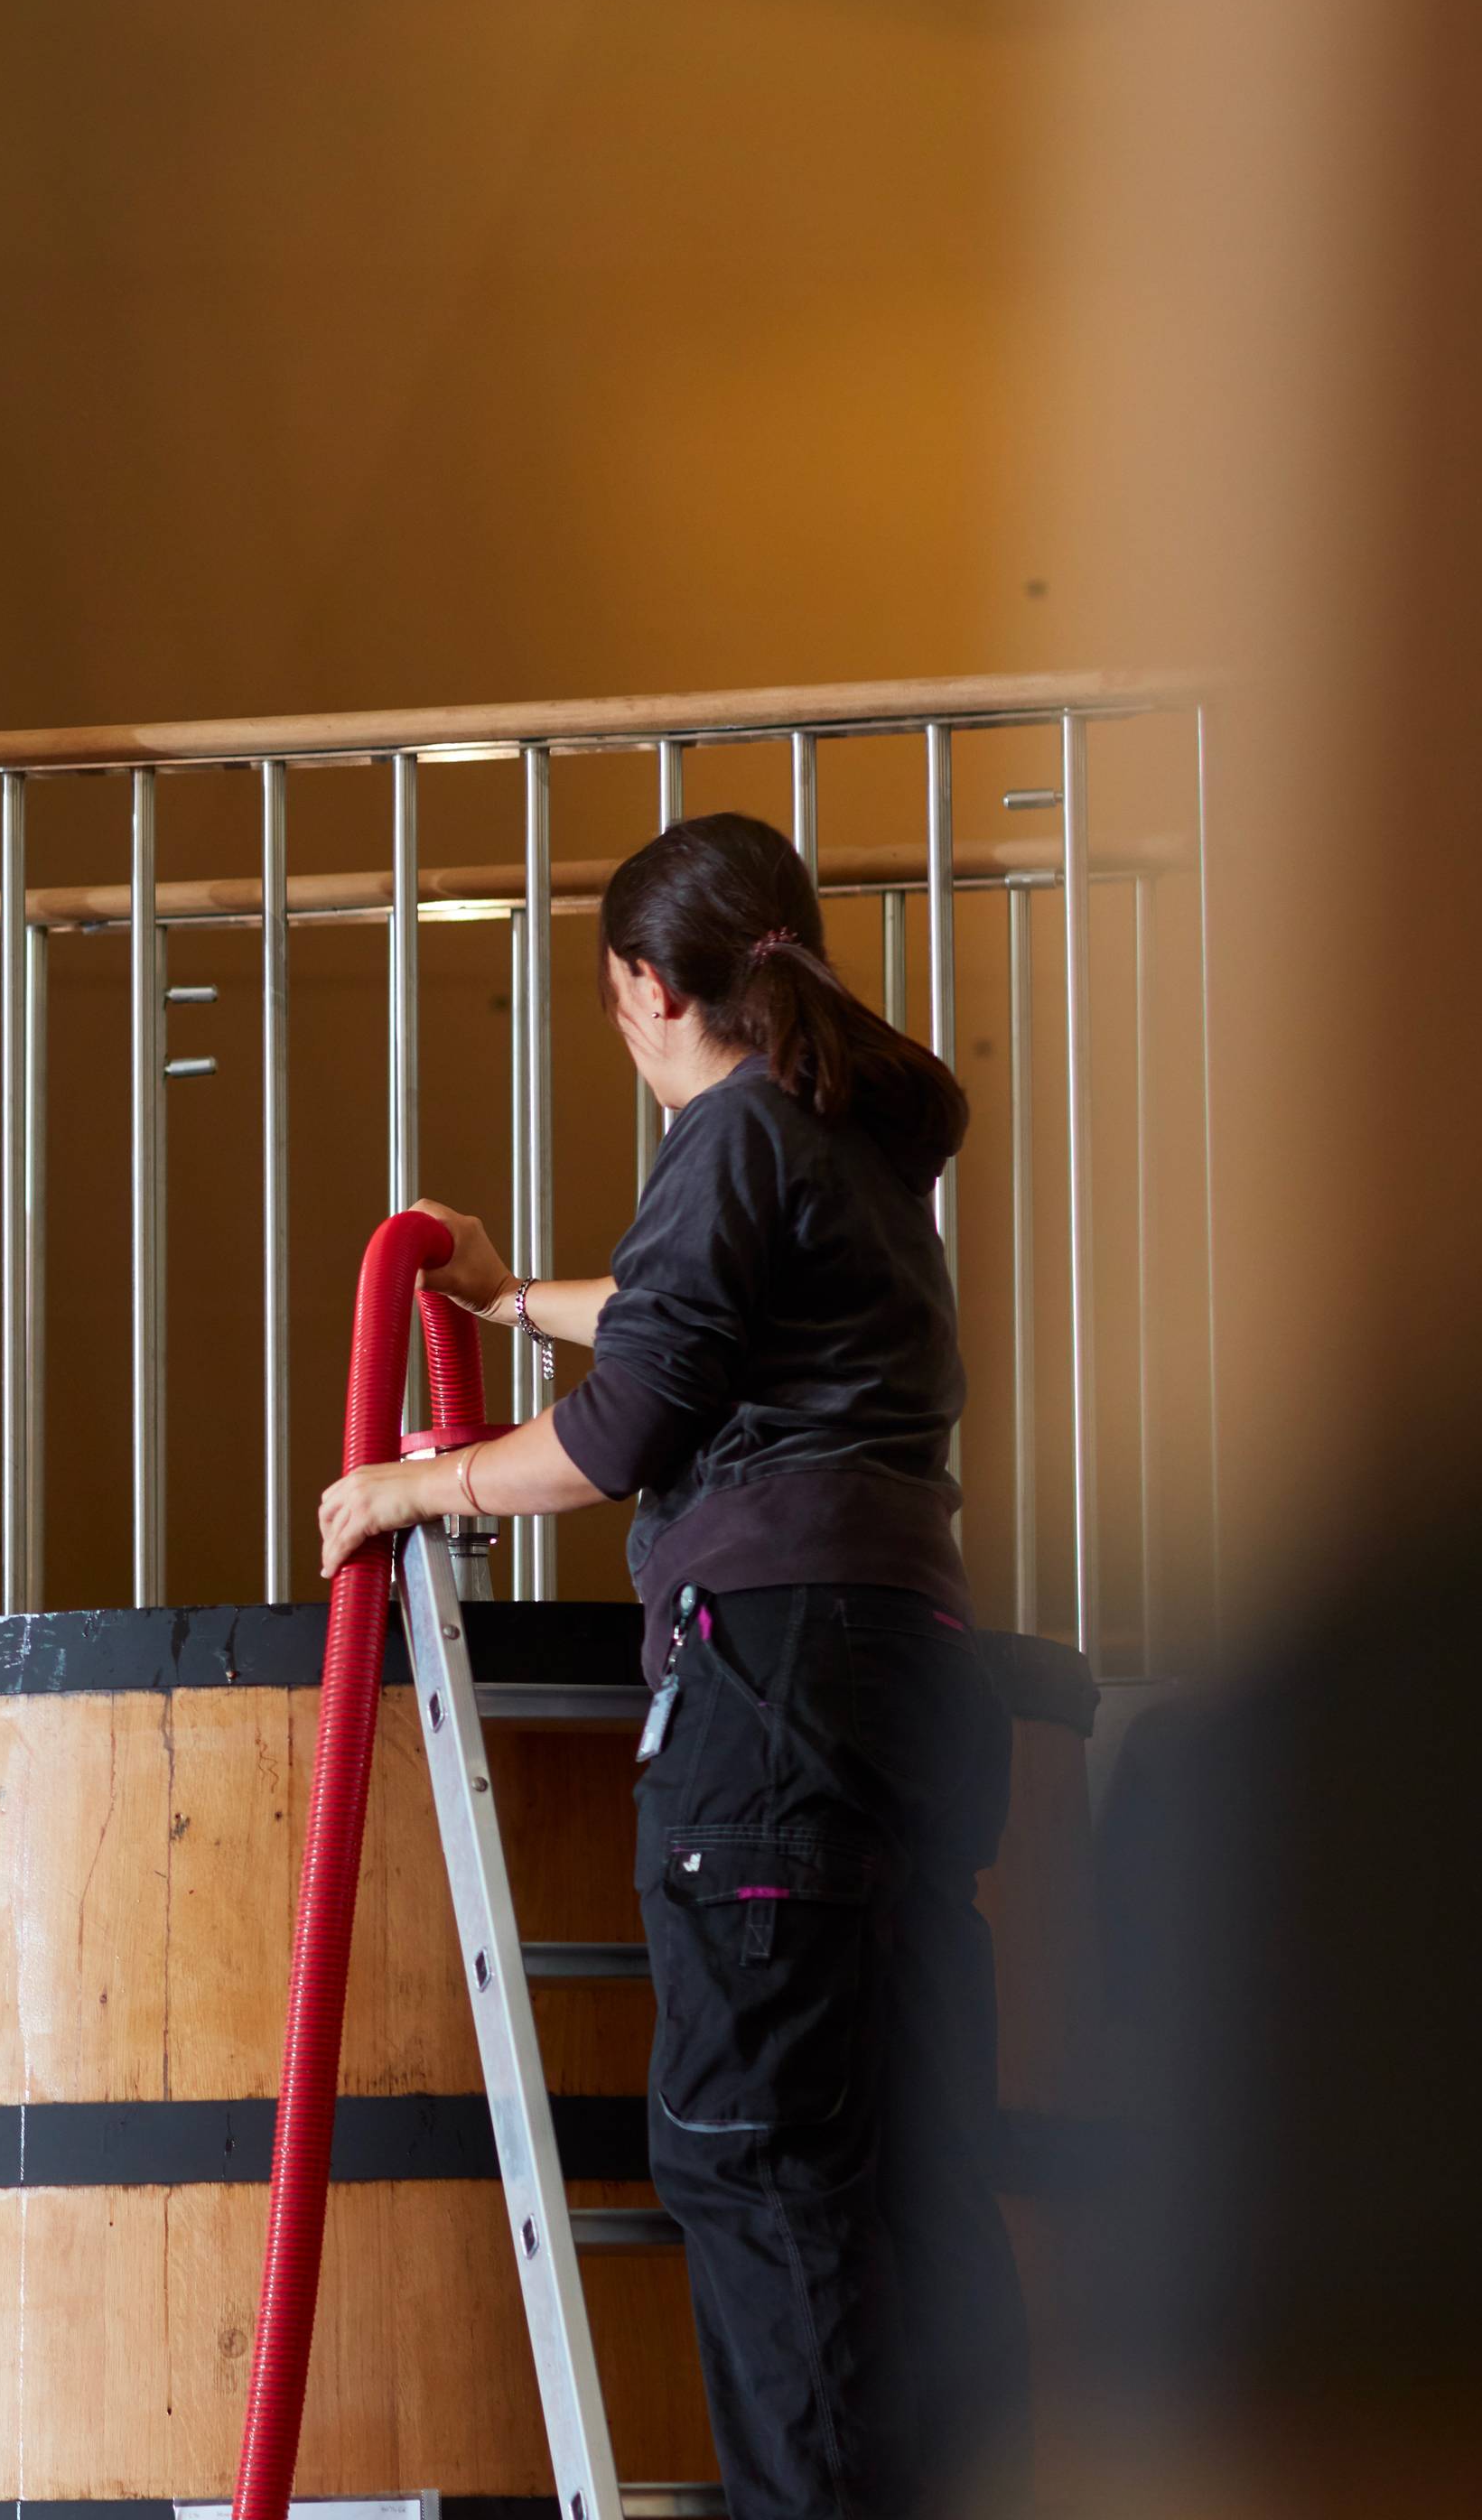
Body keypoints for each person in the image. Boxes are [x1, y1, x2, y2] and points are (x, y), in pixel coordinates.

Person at [316, 812, 1026, 2519]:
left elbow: (629, 1426)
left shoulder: (728, 1136)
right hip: (912, 1680)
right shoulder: (856, 1150)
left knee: (757, 2164)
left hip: (769, 1688)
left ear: (645, 985)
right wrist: (508, 1301)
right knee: (905, 2169)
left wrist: (416, 1486)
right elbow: (697, 1311)